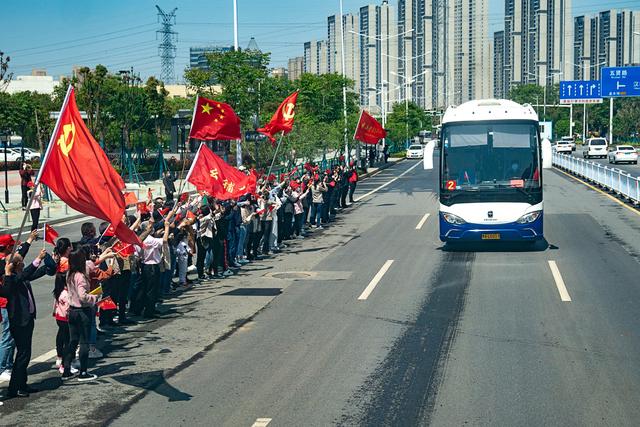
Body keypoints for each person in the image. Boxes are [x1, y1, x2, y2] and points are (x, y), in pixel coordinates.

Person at [0, 247, 49, 397]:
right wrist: (38, 258)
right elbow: (8, 290)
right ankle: (14, 387)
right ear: (16, 266)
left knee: (25, 354)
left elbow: (33, 274)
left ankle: (22, 384)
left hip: (27, 319)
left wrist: (48, 265)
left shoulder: (19, 276)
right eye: (21, 262)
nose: (23, 262)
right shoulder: (12, 278)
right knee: (22, 354)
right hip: (19, 321)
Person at [63, 248, 112, 381]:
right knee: (84, 341)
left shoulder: (69, 274)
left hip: (72, 310)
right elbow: (83, 296)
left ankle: (66, 369)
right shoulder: (81, 276)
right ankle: (83, 372)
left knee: (72, 341)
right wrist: (94, 298)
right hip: (82, 311)